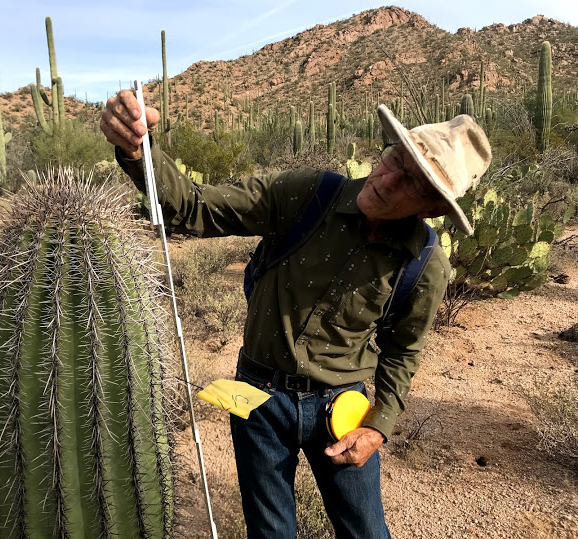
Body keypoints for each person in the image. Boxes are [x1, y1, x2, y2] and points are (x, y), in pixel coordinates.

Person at [100, 91, 491, 538]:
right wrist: (137, 150)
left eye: (411, 183)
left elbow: (403, 351)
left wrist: (378, 428)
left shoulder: (424, 264)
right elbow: (193, 208)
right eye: (393, 159)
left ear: (433, 208)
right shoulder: (308, 195)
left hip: (343, 410)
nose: (385, 180)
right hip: (257, 401)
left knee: (365, 530)